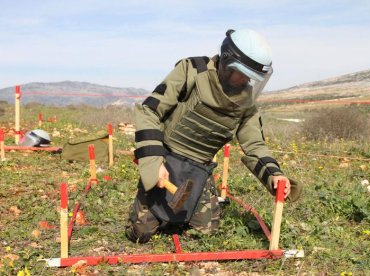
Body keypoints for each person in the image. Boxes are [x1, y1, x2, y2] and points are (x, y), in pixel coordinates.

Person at [126, 29, 302, 243]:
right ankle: (148, 207)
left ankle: (180, 213)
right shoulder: (191, 71)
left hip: (199, 170)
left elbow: (254, 144)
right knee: (141, 234)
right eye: (242, 73)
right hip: (166, 160)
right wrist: (154, 163)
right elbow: (149, 111)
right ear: (226, 61)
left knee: (205, 233)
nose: (245, 81)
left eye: (251, 77)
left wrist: (274, 175)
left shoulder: (246, 103)